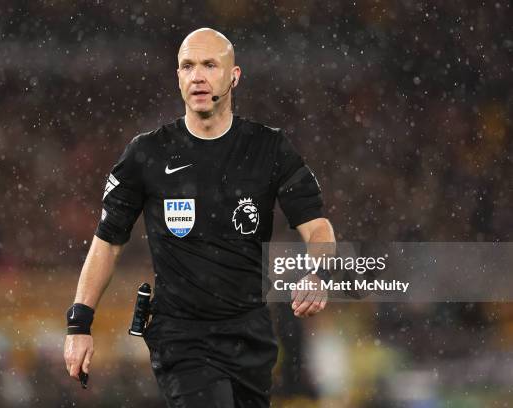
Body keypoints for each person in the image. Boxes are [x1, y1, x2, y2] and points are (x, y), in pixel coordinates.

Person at [64, 27, 336, 407]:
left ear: (234, 76)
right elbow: (107, 242)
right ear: (178, 77)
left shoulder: (269, 149)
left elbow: (317, 226)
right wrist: (79, 323)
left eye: (210, 65)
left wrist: (318, 272)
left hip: (250, 336)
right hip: (181, 336)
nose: (198, 76)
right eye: (187, 66)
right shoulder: (148, 154)